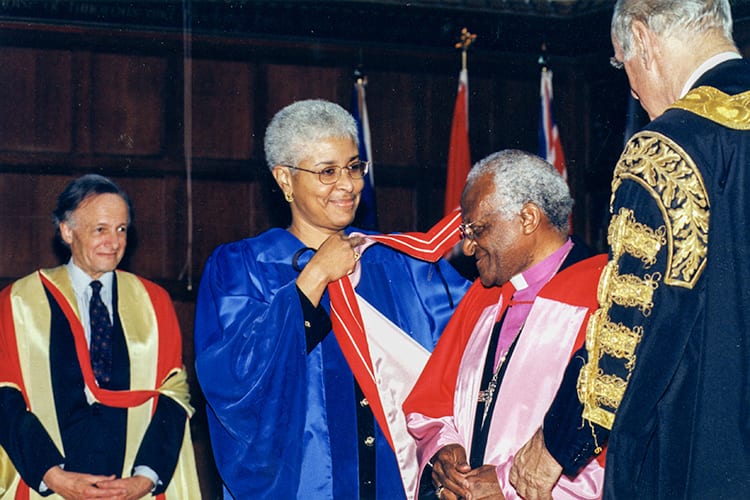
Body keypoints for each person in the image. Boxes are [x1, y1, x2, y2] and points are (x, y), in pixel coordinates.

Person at [509, 0, 750, 498]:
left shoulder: (668, 150)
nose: (634, 89)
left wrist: (557, 444)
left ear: (642, 37)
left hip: (701, 450)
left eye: (624, 64)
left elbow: (628, 333)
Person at [193, 99, 470, 499]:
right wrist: (316, 275)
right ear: (285, 180)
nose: (349, 185)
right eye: (327, 172)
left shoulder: (400, 266)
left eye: (354, 167)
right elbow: (234, 380)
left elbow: (464, 355)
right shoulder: (243, 268)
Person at [402, 149, 607, 500]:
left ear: (528, 218)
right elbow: (432, 404)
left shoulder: (603, 296)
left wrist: (509, 484)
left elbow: (610, 445)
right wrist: (444, 453)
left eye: (477, 229)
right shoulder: (481, 298)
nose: (467, 247)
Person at [0, 174, 199, 499]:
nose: (114, 241)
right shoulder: (19, 301)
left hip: (132, 482)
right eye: (100, 229)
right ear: (67, 231)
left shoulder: (153, 302)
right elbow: (5, 399)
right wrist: (53, 477)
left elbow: (173, 395)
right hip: (49, 482)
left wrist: (145, 478)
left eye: (121, 229)